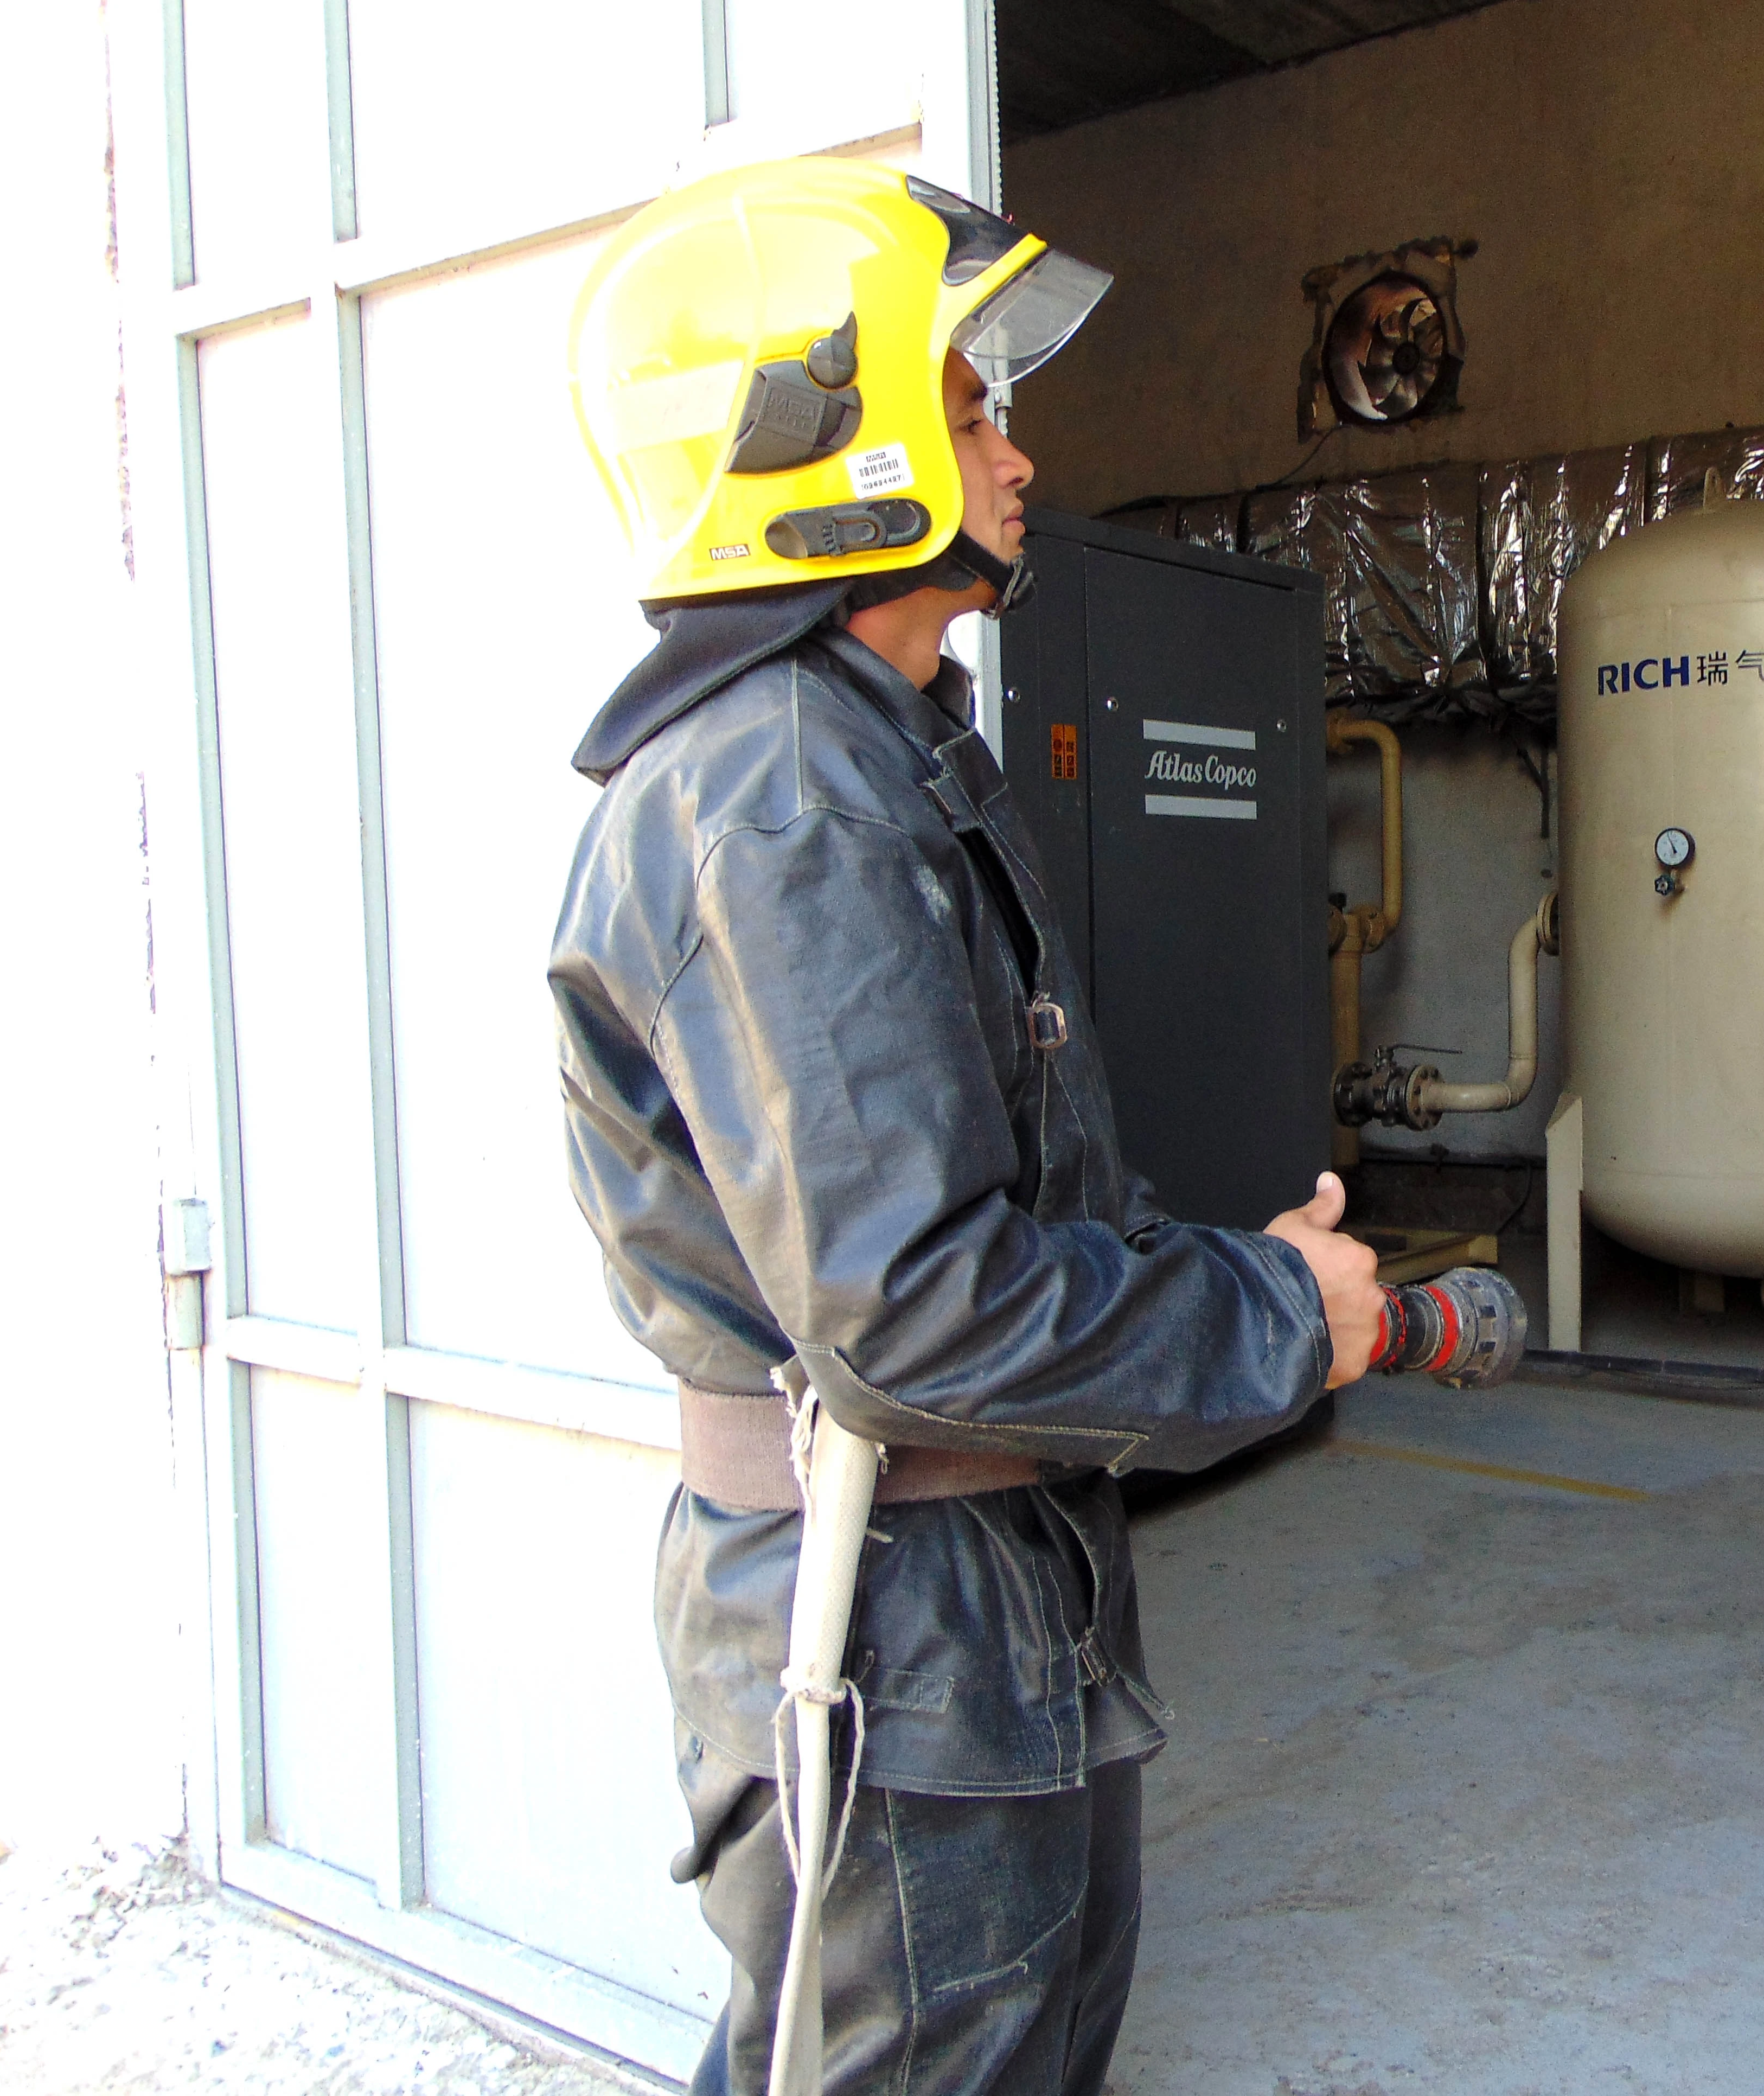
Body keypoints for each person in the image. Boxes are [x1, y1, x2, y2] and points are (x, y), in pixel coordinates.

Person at [549, 158, 1382, 2095]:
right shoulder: (780, 803)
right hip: (892, 1631)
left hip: (980, 1605)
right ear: (816, 455)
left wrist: (1232, 1280)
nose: (1019, 453)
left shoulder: (875, 750)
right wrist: (1270, 1315)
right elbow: (917, 1308)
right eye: (976, 401)